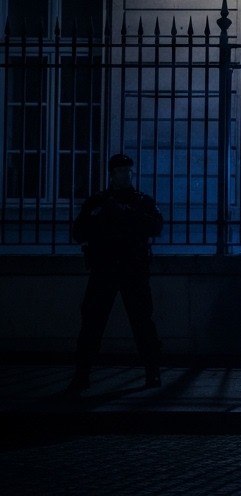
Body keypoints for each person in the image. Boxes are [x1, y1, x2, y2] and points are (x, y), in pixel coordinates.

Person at [67, 153, 165, 394]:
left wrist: (125, 213)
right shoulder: (99, 202)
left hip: (131, 267)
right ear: (112, 174)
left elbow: (156, 227)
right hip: (106, 267)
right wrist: (103, 215)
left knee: (141, 322)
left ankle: (152, 372)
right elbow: (78, 232)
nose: (126, 175)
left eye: (128, 171)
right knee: (93, 323)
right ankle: (82, 374)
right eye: (121, 171)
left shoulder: (141, 201)